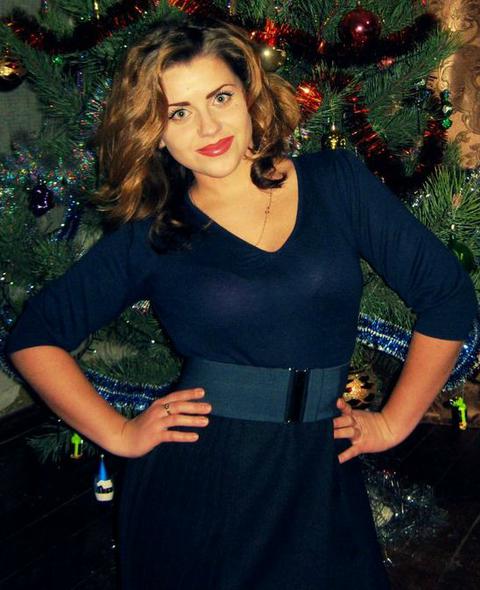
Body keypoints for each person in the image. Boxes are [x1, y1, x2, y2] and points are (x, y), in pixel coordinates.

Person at [4, 16, 478, 590]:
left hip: (322, 468)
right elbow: (34, 337)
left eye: (220, 97)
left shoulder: (337, 182)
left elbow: (447, 296)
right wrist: (120, 434)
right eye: (178, 112)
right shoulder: (152, 232)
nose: (208, 126)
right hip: (202, 481)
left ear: (249, 95)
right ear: (155, 132)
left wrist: (395, 423)